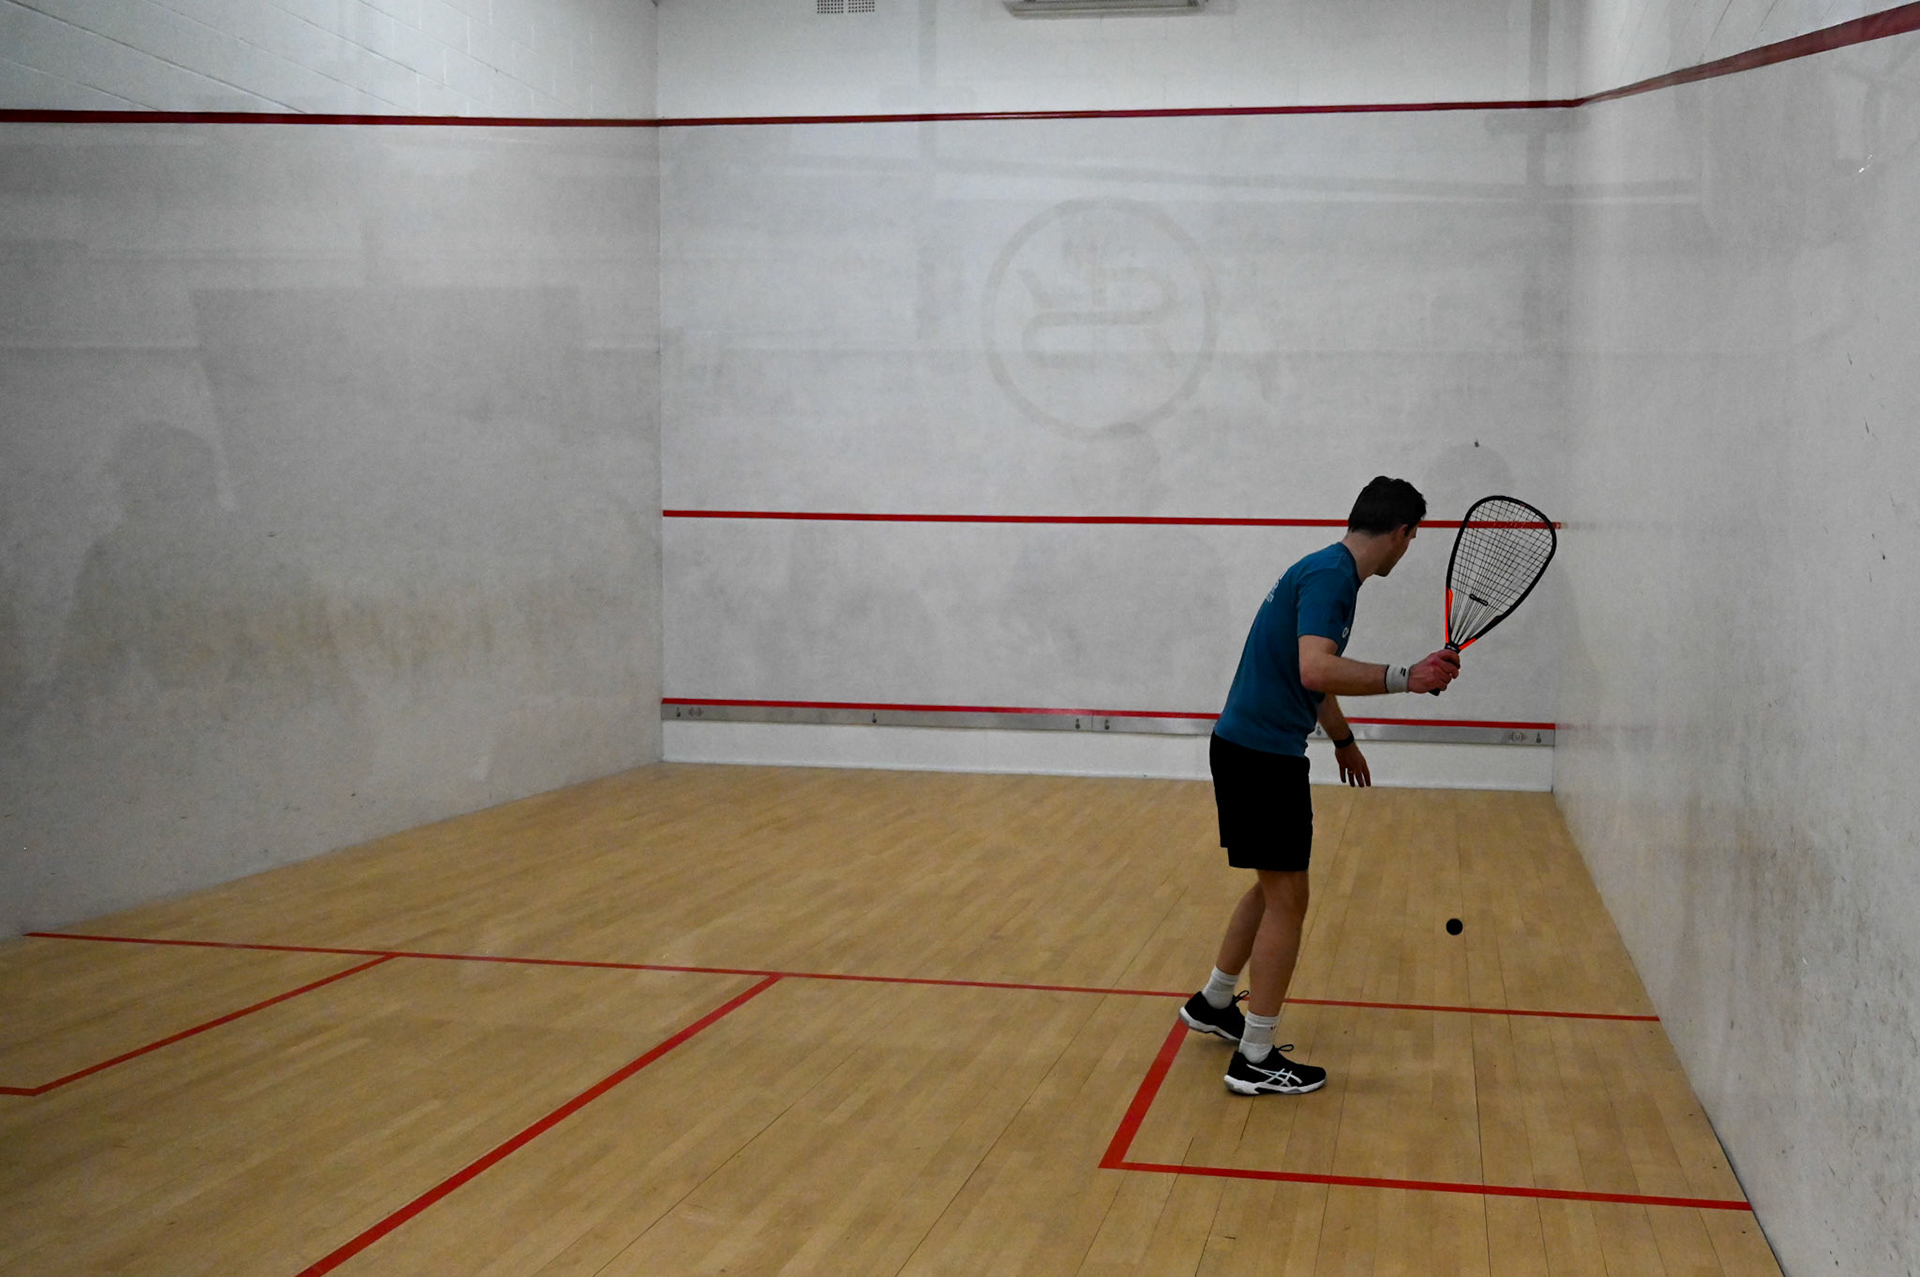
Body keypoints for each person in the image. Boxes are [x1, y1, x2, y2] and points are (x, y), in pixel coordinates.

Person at [1179, 476, 1460, 1096]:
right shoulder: (1333, 579)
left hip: (1248, 746)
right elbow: (1316, 668)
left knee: (1272, 884)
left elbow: (1309, 676)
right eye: (1413, 538)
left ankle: (1215, 1002)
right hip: (1261, 756)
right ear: (1401, 532)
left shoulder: (1325, 568)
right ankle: (1255, 1057)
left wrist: (1342, 739)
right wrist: (1405, 676)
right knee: (1289, 900)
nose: (1408, 548)